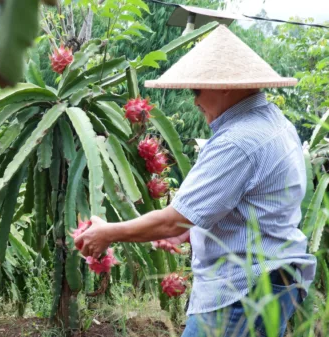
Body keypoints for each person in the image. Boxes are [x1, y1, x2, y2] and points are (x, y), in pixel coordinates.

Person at [73, 25, 317, 337]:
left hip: (242, 291)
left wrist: (108, 233)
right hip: (273, 281)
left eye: (196, 90)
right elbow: (250, 207)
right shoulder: (275, 123)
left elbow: (174, 221)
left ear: (224, 86)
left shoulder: (238, 142)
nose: (194, 101)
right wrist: (188, 233)